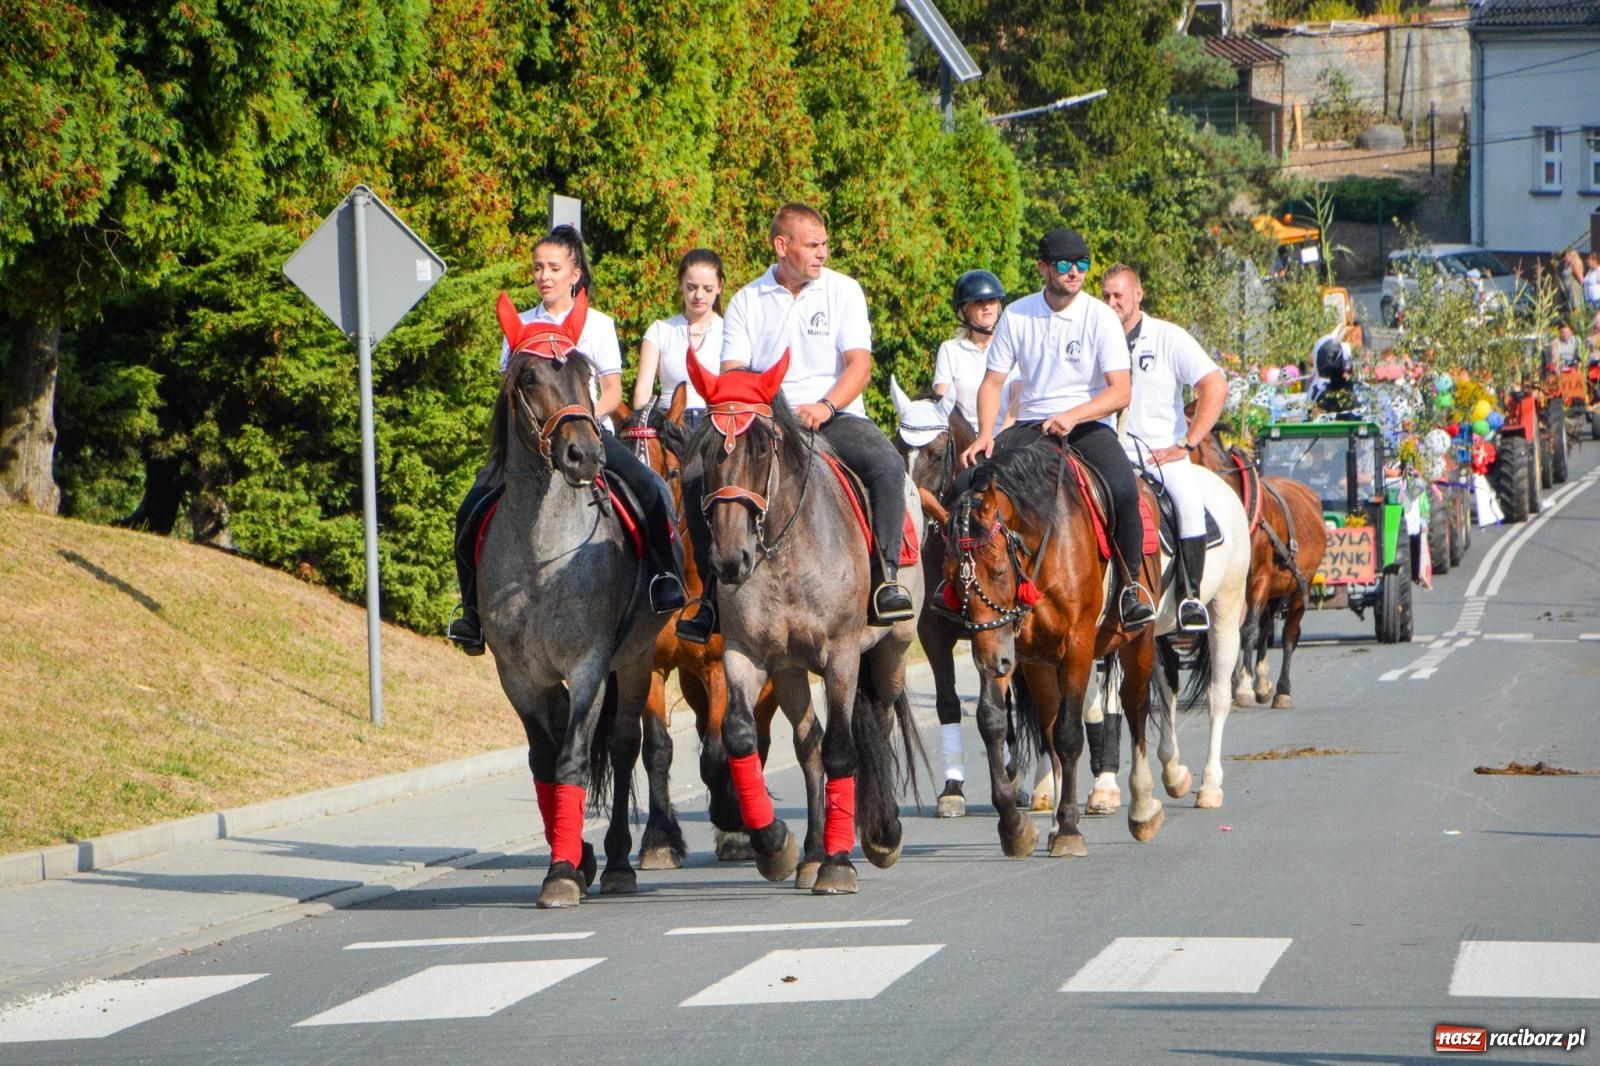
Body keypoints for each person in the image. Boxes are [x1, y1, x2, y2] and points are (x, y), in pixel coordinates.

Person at [675, 202, 913, 643]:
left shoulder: (844, 291)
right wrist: (761, 415)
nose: (823, 253)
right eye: (813, 245)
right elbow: (733, 373)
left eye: (824, 244)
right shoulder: (748, 298)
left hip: (835, 416)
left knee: (886, 464)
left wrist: (825, 406)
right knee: (694, 476)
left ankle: (885, 578)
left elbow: (860, 365)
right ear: (781, 246)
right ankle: (708, 594)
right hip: (762, 424)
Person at [447, 224, 687, 655]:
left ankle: (663, 578)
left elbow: (612, 392)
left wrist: (576, 421)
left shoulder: (597, 324)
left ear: (574, 272)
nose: (544, 276)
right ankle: (471, 613)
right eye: (538, 268)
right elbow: (510, 392)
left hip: (587, 435)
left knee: (650, 489)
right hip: (529, 446)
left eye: (554, 268)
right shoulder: (521, 326)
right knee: (468, 511)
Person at [958, 227, 1156, 629]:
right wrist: (983, 435)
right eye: (1065, 264)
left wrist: (1074, 415)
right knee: (967, 486)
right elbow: (992, 383)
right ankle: (961, 585)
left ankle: (1130, 588)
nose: (1075, 272)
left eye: (1082, 264)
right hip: (1031, 426)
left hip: (1088, 427)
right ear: (1043, 268)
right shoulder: (1018, 314)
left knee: (1122, 489)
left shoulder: (1100, 317)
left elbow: (1121, 392)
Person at [1101, 263, 1226, 632]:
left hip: (1159, 452)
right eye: (1105, 296)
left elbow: (1214, 385)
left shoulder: (1168, 337)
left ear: (1138, 295)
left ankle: (1189, 597)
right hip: (1108, 450)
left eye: (1118, 295)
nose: (1110, 303)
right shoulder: (1094, 335)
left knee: (1188, 503)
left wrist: (1188, 442)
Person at [632, 248, 725, 430]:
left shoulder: (730, 331)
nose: (698, 296)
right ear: (680, 284)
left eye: (707, 289)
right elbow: (643, 392)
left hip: (714, 426)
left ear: (719, 287)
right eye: (691, 287)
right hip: (670, 424)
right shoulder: (660, 330)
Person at [932, 269, 1018, 436]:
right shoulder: (950, 350)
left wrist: (1003, 439)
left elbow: (1017, 399)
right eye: (979, 302)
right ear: (964, 310)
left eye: (992, 300)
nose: (986, 306)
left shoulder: (1013, 346)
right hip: (964, 441)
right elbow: (942, 401)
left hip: (1006, 439)